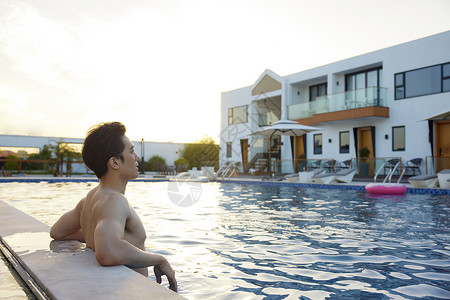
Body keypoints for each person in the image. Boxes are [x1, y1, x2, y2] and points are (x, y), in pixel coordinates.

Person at [49, 122, 177, 292]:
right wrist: (159, 260)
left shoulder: (88, 199)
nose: (137, 157)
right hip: (130, 292)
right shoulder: (115, 201)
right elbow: (107, 253)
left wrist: (93, 236)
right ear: (115, 162)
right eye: (131, 151)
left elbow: (57, 232)